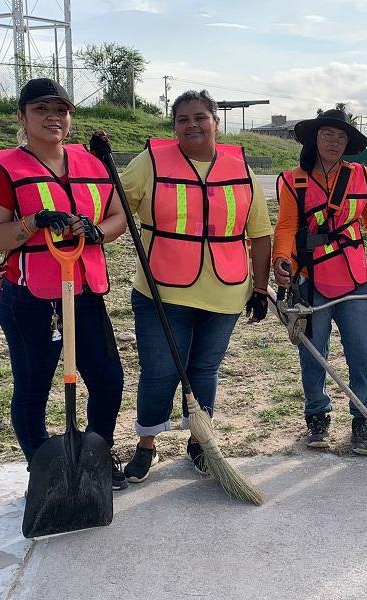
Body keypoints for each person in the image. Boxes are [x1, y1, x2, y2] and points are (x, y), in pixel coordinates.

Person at [0, 78, 128, 489]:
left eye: (60, 109)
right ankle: (44, 470)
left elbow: (117, 216)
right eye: (41, 109)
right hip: (28, 298)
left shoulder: (93, 164)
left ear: (70, 117)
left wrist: (97, 231)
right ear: (22, 117)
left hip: (83, 293)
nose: (52, 117)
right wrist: (31, 223)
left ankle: (96, 459)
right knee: (33, 386)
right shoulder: (7, 169)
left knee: (108, 379)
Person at [118, 90, 272, 482]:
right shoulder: (149, 163)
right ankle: (146, 444)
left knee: (204, 369)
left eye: (200, 117)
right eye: (183, 119)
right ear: (174, 127)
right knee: (160, 371)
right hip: (161, 292)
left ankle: (200, 443)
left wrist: (260, 288)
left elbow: (260, 233)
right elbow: (115, 205)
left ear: (216, 122)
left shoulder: (241, 170)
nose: (192, 125)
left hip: (225, 291)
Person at [273, 109, 367, 456]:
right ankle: (317, 417)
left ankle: (362, 420)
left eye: (341, 137)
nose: (335, 143)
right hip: (308, 280)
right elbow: (287, 227)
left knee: (361, 355)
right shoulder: (293, 180)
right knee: (313, 355)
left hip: (353, 281)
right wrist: (281, 261)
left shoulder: (361, 176)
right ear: (314, 138)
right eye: (328, 135)